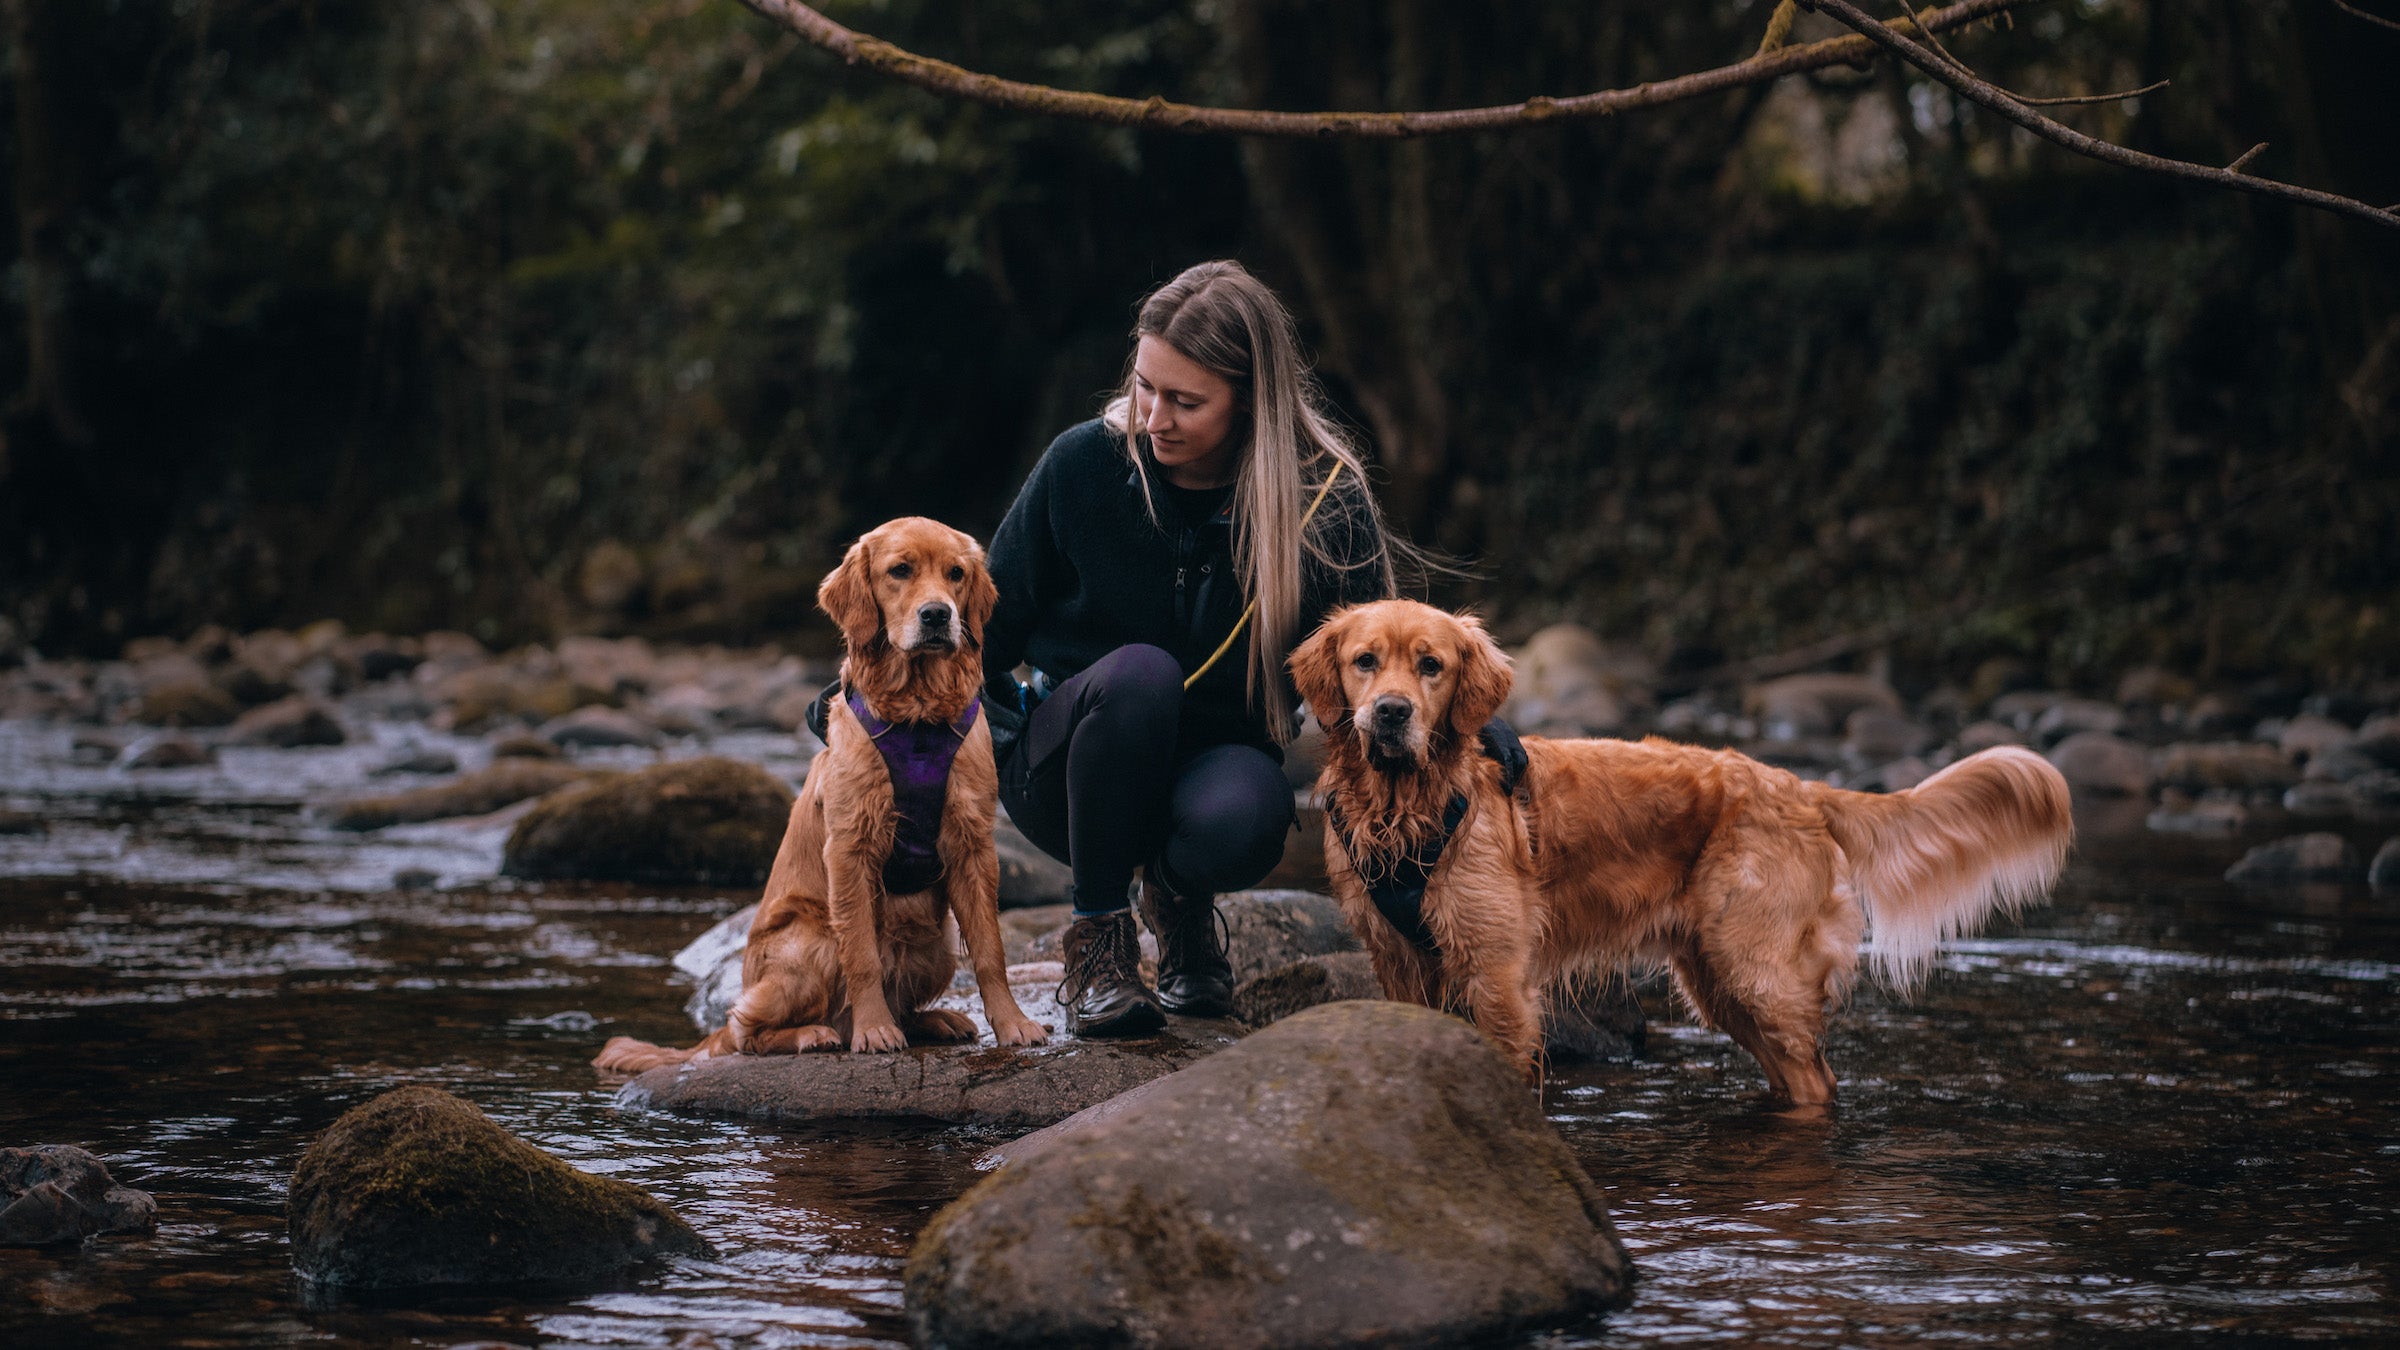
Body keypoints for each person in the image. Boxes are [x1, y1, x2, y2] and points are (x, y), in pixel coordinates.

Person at [982, 260, 1403, 1037]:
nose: (1152, 416)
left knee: (1254, 813)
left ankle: (1176, 905)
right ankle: (1100, 944)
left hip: (1211, 774)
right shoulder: (1083, 465)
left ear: (1249, 403)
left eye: (1185, 401)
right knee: (1143, 673)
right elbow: (981, 629)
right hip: (1067, 775)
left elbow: (1384, 661)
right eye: (1145, 386)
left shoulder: (1324, 501)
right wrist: (981, 736)